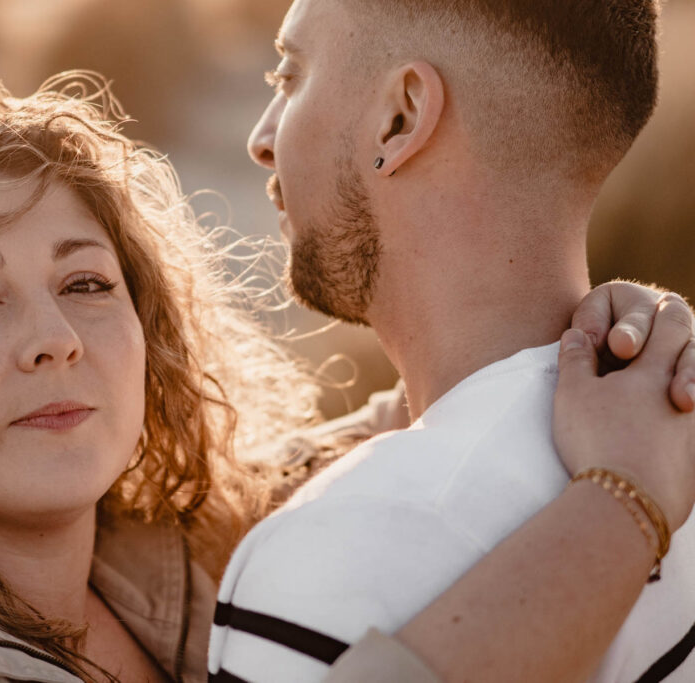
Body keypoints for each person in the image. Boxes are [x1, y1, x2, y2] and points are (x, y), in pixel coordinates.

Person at [0, 57, 693, 683]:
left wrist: (602, 344)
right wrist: (625, 500)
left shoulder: (163, 540)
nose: (54, 337)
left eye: (87, 283)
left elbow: (383, 433)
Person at [209, 0, 695, 681]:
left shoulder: (335, 548)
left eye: (290, 76)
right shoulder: (676, 429)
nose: (263, 139)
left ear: (399, 118)